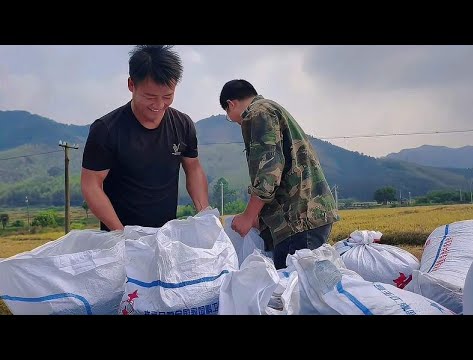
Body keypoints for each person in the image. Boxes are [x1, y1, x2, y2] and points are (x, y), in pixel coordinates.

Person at [81, 45, 209, 231]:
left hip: (164, 236)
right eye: (150, 96)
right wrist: (120, 233)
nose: (159, 105)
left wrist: (204, 215)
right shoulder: (106, 130)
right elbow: (91, 184)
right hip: (120, 238)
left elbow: (193, 168)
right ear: (131, 84)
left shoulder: (182, 124)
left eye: (167, 96)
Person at [219, 79, 340, 269]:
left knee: (293, 290)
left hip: (296, 222)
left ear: (230, 104)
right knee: (305, 289)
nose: (237, 123)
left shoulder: (258, 112)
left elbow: (269, 169)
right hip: (307, 216)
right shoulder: (271, 109)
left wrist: (248, 216)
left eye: (231, 117)